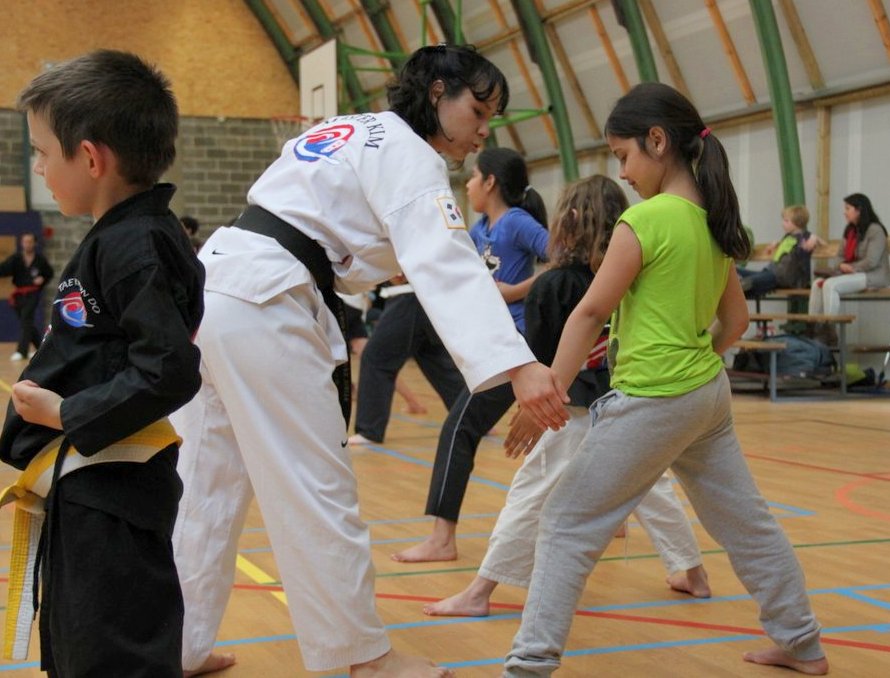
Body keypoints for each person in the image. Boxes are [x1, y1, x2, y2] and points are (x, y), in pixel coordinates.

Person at [170, 45, 568, 678]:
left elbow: (348, 254)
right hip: (267, 302)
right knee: (315, 485)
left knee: (204, 484)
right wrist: (520, 366)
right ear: (438, 93)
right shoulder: (410, 152)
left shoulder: (349, 129)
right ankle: (360, 659)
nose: (485, 129)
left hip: (215, 290)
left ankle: (178, 647)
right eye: (479, 109)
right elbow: (445, 259)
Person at [503, 82, 828, 676]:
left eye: (624, 155)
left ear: (658, 142)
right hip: (708, 395)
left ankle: (528, 664)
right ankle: (801, 643)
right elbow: (736, 321)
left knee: (567, 523)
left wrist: (544, 392)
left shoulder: (644, 221)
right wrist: (694, 360)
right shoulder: (712, 222)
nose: (622, 172)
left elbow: (590, 312)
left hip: (655, 398)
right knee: (746, 524)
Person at [423, 175, 710, 618]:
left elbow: (540, 366)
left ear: (569, 222)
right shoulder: (629, 278)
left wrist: (532, 414)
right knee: (652, 486)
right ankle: (692, 571)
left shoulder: (554, 286)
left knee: (529, 492)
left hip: (571, 409)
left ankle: (479, 593)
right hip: (629, 401)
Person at [0, 50, 203, 675]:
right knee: (78, 644)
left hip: (112, 493)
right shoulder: (123, 237)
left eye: (41, 152)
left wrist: (68, 411)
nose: (38, 167)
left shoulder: (134, 244)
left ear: (90, 158)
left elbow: (169, 367)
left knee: (108, 652)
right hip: (86, 484)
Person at [392, 146, 550, 563]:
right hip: (489, 343)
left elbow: (564, 260)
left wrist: (515, 291)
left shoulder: (518, 223)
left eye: (474, 177)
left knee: (458, 429)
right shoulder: (480, 228)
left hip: (515, 347)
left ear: (491, 182)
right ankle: (615, 515)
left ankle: (442, 539)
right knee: (571, 433)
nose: (469, 185)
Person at [348, 276, 465, 446]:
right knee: (435, 360)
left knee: (375, 358)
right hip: (426, 298)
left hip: (409, 296)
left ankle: (369, 430)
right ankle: (478, 419)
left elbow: (398, 274)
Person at [808, 193, 889, 316]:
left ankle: (828, 327)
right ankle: (813, 327)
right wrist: (841, 266)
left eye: (847, 208)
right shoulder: (850, 230)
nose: (844, 212)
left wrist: (852, 267)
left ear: (859, 210)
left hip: (873, 275)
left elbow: (872, 261)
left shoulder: (875, 230)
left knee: (831, 285)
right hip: (852, 273)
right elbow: (839, 256)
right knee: (817, 284)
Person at [737, 204, 816, 297]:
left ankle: (740, 287)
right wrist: (777, 244)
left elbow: (814, 241)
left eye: (786, 221)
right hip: (771, 273)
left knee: (751, 282)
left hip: (784, 278)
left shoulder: (805, 237)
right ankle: (739, 284)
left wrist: (814, 238)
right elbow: (788, 246)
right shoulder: (788, 237)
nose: (783, 223)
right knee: (736, 271)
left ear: (797, 222)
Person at [0, 232, 54, 361]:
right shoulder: (16, 259)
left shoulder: (40, 260)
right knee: (27, 323)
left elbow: (49, 273)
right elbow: (3, 270)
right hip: (18, 295)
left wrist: (42, 279)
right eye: (25, 241)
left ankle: (21, 351)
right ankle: (41, 349)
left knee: (26, 319)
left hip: (32, 293)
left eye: (30, 241)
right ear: (21, 243)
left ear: (34, 243)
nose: (27, 244)